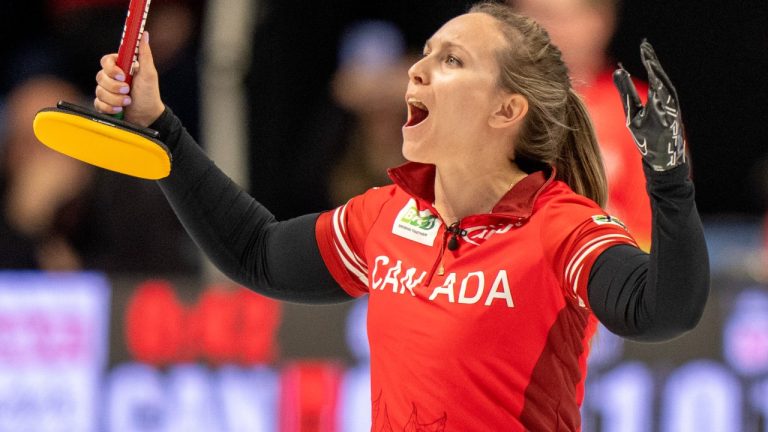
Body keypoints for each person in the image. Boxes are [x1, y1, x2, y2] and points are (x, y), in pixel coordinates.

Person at [94, 2, 709, 430]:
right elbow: (254, 251)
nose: (417, 70)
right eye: (427, 54)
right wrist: (161, 130)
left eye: (452, 61)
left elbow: (663, 312)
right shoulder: (387, 217)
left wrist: (671, 185)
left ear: (506, 110)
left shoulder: (560, 227)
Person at [510, 0, 654, 251]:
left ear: (601, 21)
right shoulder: (489, 102)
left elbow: (655, 232)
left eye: (563, 18)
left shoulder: (641, 109)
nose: (546, 31)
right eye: (534, 17)